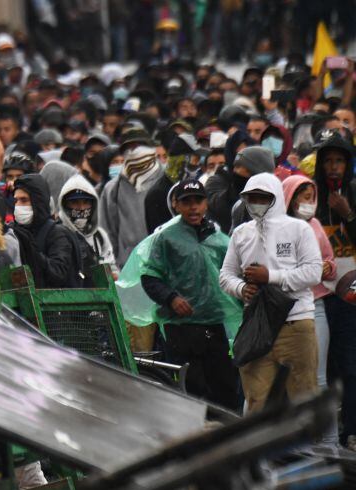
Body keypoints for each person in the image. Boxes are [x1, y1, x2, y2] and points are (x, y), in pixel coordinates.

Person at [219, 173, 323, 414]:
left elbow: (313, 272)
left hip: (295, 323)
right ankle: (259, 451)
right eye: (251, 198)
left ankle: (305, 451)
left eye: (262, 197)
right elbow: (225, 275)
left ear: (275, 198)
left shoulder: (299, 229)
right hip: (258, 325)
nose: (256, 202)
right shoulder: (241, 234)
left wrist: (271, 277)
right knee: (257, 400)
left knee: (303, 398)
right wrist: (242, 288)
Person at [140, 180, 242, 410]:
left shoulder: (217, 238)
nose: (193, 207)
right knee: (191, 394)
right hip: (181, 330)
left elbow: (234, 272)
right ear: (176, 205)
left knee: (225, 390)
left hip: (216, 327)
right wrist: (171, 298)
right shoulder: (166, 238)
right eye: (187, 202)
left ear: (206, 203)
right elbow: (150, 277)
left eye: (198, 201)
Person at [283, 174, 338, 444]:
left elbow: (329, 259)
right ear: (290, 199)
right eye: (304, 197)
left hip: (316, 306)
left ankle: (329, 443)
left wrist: (328, 268)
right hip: (290, 311)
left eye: (311, 197)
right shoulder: (282, 229)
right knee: (295, 381)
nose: (309, 203)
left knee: (320, 378)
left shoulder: (315, 224)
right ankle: (301, 443)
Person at [312, 130, 356, 448]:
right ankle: (323, 430)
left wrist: (348, 215)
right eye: (328, 161)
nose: (333, 167)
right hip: (318, 295)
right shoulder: (310, 197)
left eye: (339, 161)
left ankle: (351, 428)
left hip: (352, 295)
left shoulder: (354, 193)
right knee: (322, 367)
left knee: (350, 364)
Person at [99, 127, 166, 267]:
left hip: (165, 264)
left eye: (139, 147)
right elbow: (107, 230)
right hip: (129, 266)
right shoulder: (113, 188)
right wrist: (112, 265)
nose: (134, 152)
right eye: (129, 148)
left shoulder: (167, 180)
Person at [10, 174, 84, 288]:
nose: (18, 205)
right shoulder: (15, 232)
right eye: (16, 200)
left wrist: (32, 251)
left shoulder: (57, 233)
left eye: (24, 200)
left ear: (38, 202)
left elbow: (58, 273)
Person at [57, 174, 116, 276]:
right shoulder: (57, 234)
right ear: (64, 204)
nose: (81, 208)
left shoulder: (100, 235)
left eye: (86, 202)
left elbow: (111, 267)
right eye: (74, 202)